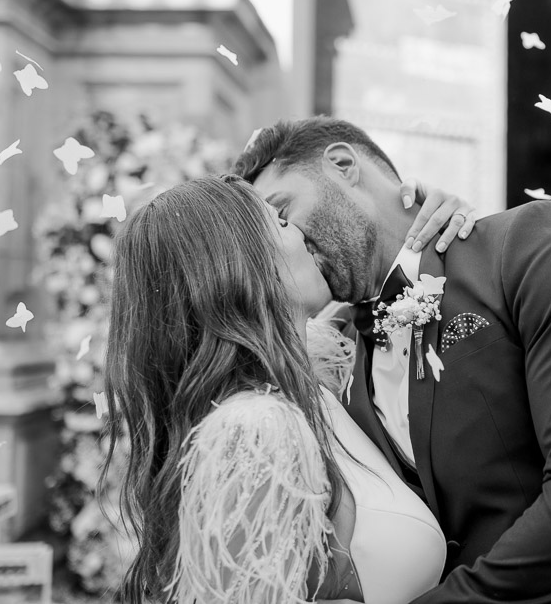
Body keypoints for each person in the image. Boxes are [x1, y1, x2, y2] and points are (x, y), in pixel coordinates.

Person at [235, 116, 551, 604]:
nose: (289, 242)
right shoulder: (341, 349)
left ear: (342, 165)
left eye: (282, 210)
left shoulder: (537, 245)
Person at [101, 173, 476, 603]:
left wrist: (426, 226)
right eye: (279, 222)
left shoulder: (317, 385)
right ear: (239, 265)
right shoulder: (254, 431)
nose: (299, 231)